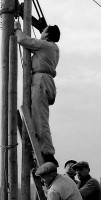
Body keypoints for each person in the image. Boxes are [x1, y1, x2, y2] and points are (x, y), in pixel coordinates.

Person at [14, 21, 60, 166]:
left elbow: (22, 40)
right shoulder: (51, 47)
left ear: (46, 34)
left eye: (43, 31)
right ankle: (43, 149)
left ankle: (48, 153)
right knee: (37, 117)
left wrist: (18, 28)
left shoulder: (46, 45)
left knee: (40, 119)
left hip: (41, 81)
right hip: (43, 80)